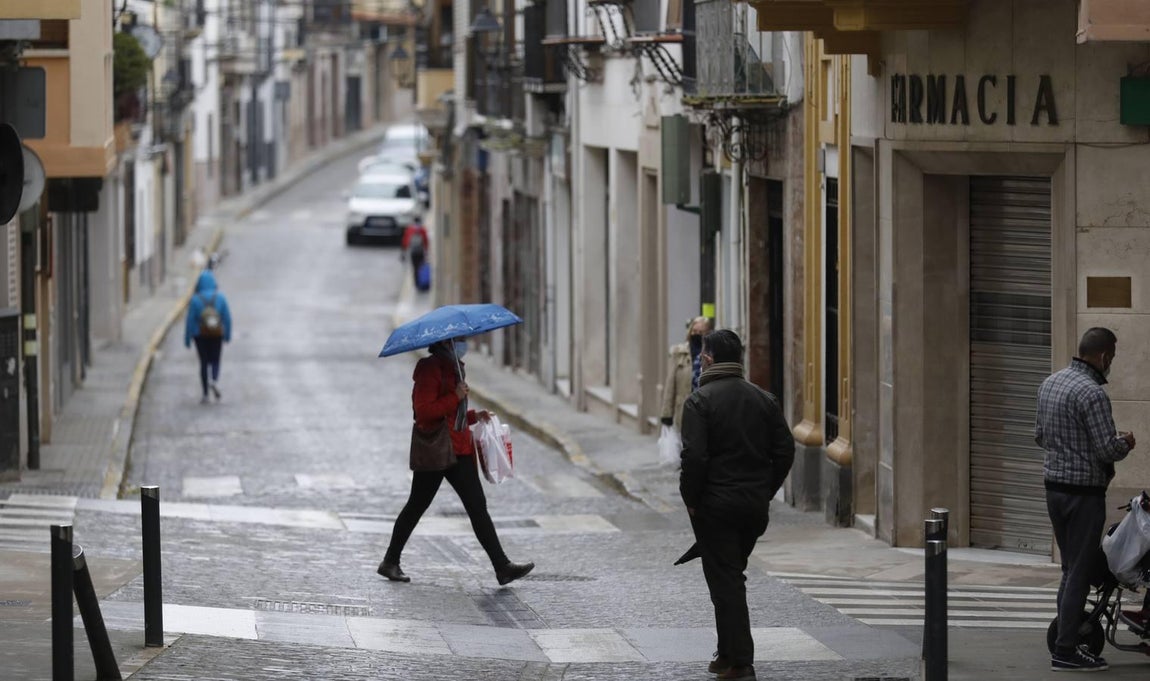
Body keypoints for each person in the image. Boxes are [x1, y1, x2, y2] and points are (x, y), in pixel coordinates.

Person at [679, 329, 794, 681]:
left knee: (726, 580)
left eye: (703, 354)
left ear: (709, 358)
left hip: (716, 506)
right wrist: (764, 490)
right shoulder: (764, 399)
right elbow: (785, 451)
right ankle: (726, 652)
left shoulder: (700, 401)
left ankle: (740, 661)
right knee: (728, 577)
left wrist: (693, 501)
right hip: (752, 508)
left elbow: (694, 458)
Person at [378, 337, 535, 586]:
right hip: (437, 450)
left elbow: (453, 415)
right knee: (417, 505)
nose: (464, 344)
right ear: (445, 343)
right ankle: (390, 561)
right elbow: (424, 411)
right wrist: (455, 395)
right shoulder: (429, 369)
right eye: (459, 340)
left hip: (459, 449)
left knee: (477, 505)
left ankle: (502, 566)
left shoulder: (456, 368)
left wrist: (474, 415)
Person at [1037, 327, 1136, 672]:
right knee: (1078, 572)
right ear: (1104, 356)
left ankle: (1064, 639)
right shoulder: (1092, 394)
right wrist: (1127, 442)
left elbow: (1039, 436)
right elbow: (1107, 448)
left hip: (1054, 489)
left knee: (1070, 570)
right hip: (1084, 495)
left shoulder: (1050, 383)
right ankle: (1065, 650)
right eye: (1112, 357)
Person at [184, 269, 232, 404]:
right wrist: (227, 335)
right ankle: (214, 380)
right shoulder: (220, 297)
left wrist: (187, 339)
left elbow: (190, 320)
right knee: (215, 359)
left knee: (203, 362)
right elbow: (227, 318)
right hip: (216, 334)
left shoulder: (195, 300)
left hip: (200, 335)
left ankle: (205, 393)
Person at [660, 316, 713, 432]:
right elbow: (670, 384)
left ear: (707, 333)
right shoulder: (678, 352)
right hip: (683, 410)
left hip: (705, 410)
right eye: (694, 331)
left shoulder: (711, 354)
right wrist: (667, 413)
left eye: (700, 332)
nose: (696, 334)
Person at [401, 220, 430, 288]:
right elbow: (425, 241)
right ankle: (421, 281)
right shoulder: (422, 230)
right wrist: (426, 251)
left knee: (415, 267)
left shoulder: (410, 229)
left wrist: (403, 251)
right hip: (420, 252)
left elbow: (405, 241)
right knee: (421, 266)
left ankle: (416, 282)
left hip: (413, 252)